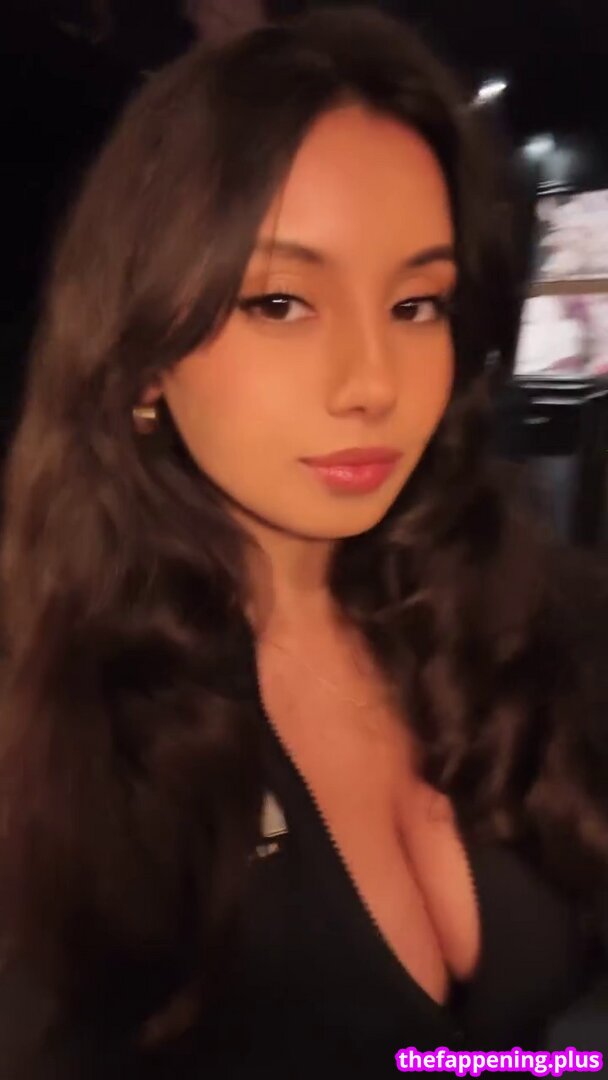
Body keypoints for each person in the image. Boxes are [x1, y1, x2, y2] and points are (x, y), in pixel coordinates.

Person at [0, 6, 606, 1078]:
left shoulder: (535, 619)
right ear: (143, 358)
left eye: (417, 304)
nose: (372, 382)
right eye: (280, 302)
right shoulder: (51, 735)